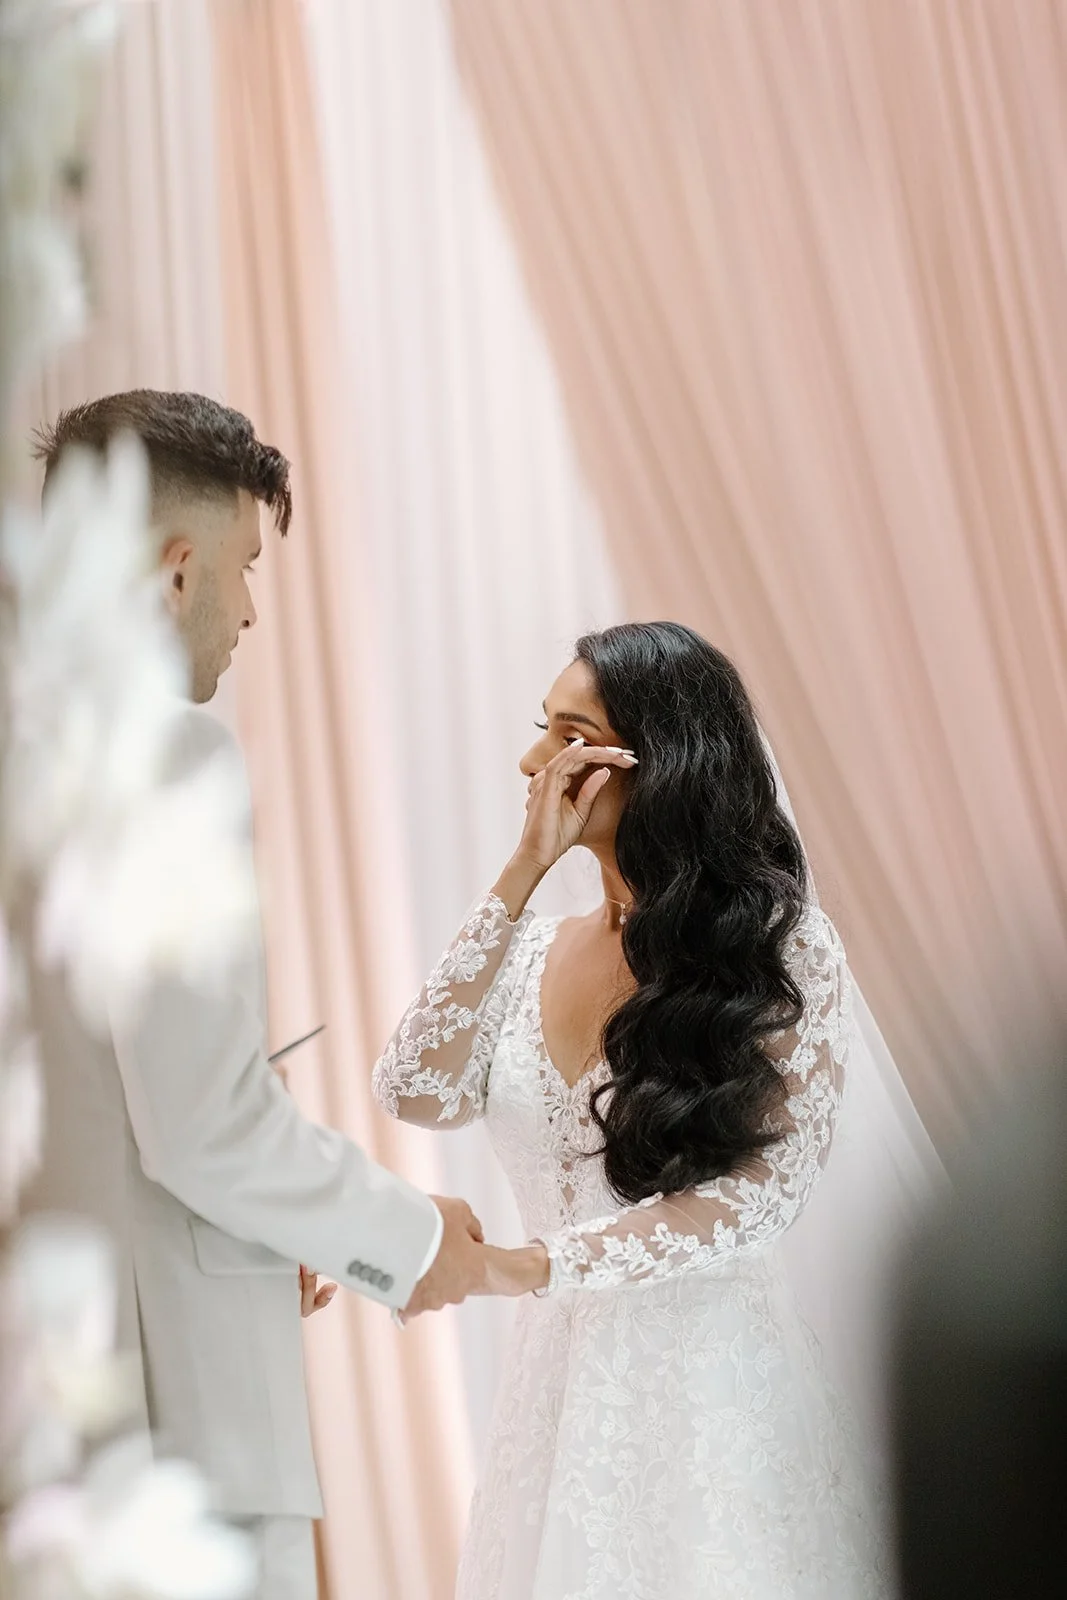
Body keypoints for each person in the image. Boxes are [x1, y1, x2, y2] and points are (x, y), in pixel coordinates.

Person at [21, 390, 485, 1600]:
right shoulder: (164, 751)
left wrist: (263, 1228)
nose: (248, 612)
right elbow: (201, 1123)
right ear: (175, 573)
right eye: (243, 569)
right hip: (177, 1433)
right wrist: (409, 1239)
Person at [373, 621, 891, 1600]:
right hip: (551, 1400)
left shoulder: (781, 952)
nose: (533, 763)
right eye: (541, 728)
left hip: (711, 1402)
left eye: (569, 736)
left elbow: (757, 1200)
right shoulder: (530, 949)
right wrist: (517, 877)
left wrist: (524, 1265)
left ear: (658, 764)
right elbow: (415, 1089)